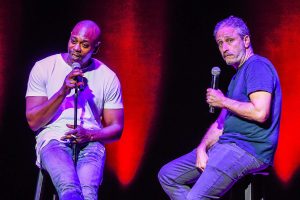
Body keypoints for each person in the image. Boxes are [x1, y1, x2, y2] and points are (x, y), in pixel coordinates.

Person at [158, 15, 282, 199]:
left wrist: (222, 101)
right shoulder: (236, 77)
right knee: (168, 175)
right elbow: (221, 124)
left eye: (230, 41)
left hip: (247, 148)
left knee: (196, 198)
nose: (224, 48)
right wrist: (201, 148)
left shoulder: (257, 66)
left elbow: (260, 112)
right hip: (225, 145)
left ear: (246, 40)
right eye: (220, 43)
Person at [26, 20, 124, 199]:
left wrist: (90, 135)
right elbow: (33, 122)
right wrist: (63, 91)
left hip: (90, 141)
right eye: (73, 41)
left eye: (85, 45)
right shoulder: (44, 67)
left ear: (96, 48)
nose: (77, 48)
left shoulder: (108, 77)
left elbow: (116, 128)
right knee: (70, 187)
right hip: (53, 139)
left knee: (87, 194)